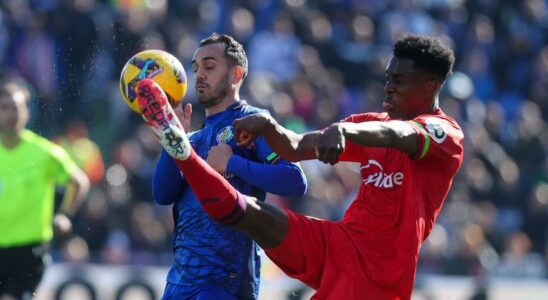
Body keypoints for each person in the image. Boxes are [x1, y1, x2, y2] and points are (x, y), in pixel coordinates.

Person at [137, 33, 463, 299]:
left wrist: (344, 130)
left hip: (381, 272)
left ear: (430, 87)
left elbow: (400, 135)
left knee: (250, 213)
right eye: (388, 77)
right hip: (336, 241)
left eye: (400, 80)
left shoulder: (444, 134)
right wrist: (269, 127)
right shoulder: (370, 121)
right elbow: (298, 147)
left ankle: (185, 158)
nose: (388, 86)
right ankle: (182, 153)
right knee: (256, 214)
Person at [150, 33, 307, 300]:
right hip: (179, 281)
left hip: (226, 282)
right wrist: (172, 139)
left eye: (209, 67)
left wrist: (233, 162)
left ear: (236, 74)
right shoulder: (193, 139)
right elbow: (162, 195)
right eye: (196, 67)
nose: (199, 74)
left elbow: (295, 181)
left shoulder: (254, 121)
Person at [0, 80, 89, 300]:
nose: (10, 114)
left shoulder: (44, 152)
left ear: (27, 113)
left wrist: (64, 215)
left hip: (29, 250)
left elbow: (79, 182)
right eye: (4, 108)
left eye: (16, 108)